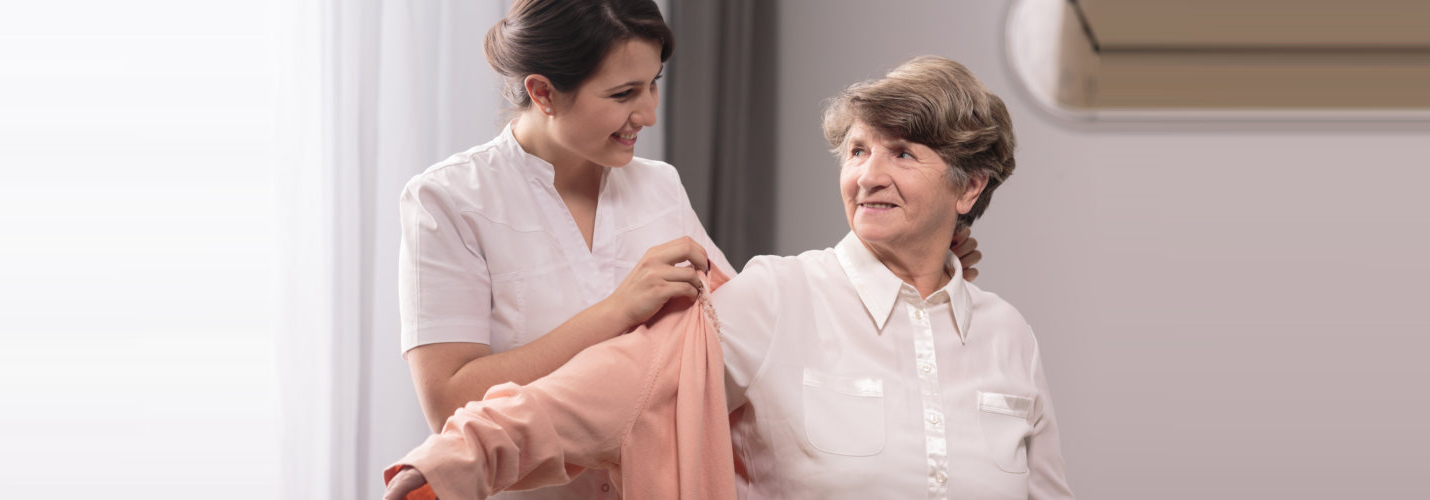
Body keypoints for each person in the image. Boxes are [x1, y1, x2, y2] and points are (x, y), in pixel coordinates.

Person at [386, 55, 1073, 499]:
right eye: (858, 150)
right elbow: (611, 387)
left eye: (901, 153)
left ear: (969, 186)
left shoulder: (1008, 336)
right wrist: (454, 462)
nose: (868, 175)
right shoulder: (773, 299)